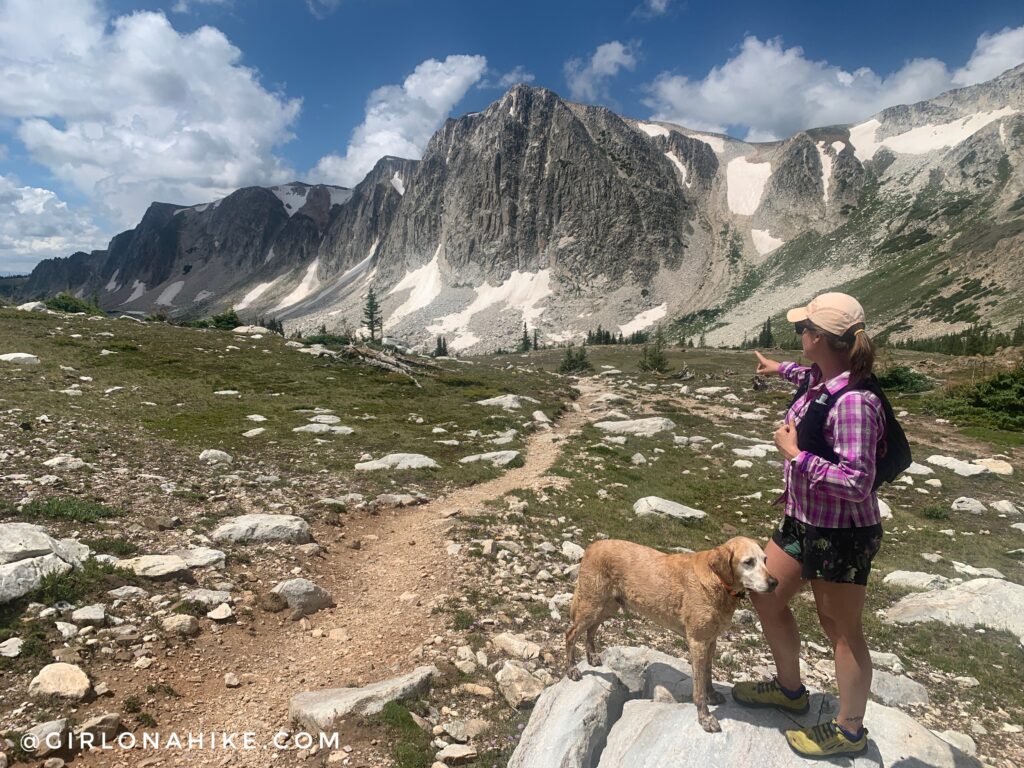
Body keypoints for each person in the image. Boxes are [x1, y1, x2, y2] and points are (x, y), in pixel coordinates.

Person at [731, 292, 884, 759]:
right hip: (801, 520)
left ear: (820, 338)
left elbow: (858, 482)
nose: (798, 334)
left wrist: (796, 457)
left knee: (841, 628)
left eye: (803, 330)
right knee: (766, 594)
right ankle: (790, 691)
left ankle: (849, 730)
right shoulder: (825, 376)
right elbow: (809, 377)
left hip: (842, 531)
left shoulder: (855, 402)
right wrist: (779, 369)